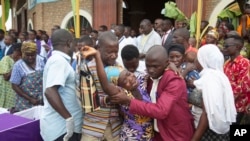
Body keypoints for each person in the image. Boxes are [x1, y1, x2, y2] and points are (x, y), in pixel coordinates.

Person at [109, 45, 194, 141]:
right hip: (157, 133)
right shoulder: (148, 78)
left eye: (155, 66)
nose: (151, 70)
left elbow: (161, 111)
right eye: (148, 66)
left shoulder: (174, 81)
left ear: (166, 63)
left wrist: (129, 101)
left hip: (174, 134)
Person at [82, 45, 153, 141]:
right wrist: (97, 56)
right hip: (132, 137)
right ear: (119, 85)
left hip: (149, 136)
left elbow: (156, 68)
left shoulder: (142, 80)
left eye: (128, 74)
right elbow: (106, 85)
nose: (130, 79)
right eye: (125, 81)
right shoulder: (121, 93)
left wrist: (170, 65)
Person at [40, 29, 82, 141]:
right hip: (62, 129)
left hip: (63, 128)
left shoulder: (58, 60)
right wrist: (68, 118)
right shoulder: (59, 61)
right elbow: (50, 91)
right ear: (68, 43)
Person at [81, 31, 123, 141]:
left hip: (115, 129)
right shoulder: (87, 70)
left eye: (116, 52)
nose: (114, 56)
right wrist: (108, 99)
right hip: (93, 128)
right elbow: (87, 102)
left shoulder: (119, 68)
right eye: (109, 52)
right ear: (99, 48)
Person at [191, 44, 236, 141]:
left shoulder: (210, 79)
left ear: (203, 60)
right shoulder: (218, 75)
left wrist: (194, 139)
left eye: (197, 58)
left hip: (207, 131)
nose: (195, 61)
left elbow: (207, 113)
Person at [10, 42, 45, 112]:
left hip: (41, 101)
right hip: (24, 102)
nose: (30, 57)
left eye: (32, 55)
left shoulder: (41, 61)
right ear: (23, 53)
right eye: (27, 55)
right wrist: (30, 99)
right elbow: (14, 86)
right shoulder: (18, 66)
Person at [223, 35, 250, 125]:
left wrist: (228, 101)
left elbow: (243, 86)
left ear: (237, 47)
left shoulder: (245, 63)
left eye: (227, 46)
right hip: (229, 106)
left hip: (240, 107)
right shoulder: (226, 63)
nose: (224, 48)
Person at [0, 43, 22, 109]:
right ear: (15, 51)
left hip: (16, 90)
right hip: (5, 89)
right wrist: (16, 64)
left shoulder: (22, 61)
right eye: (18, 53)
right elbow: (6, 77)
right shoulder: (6, 59)